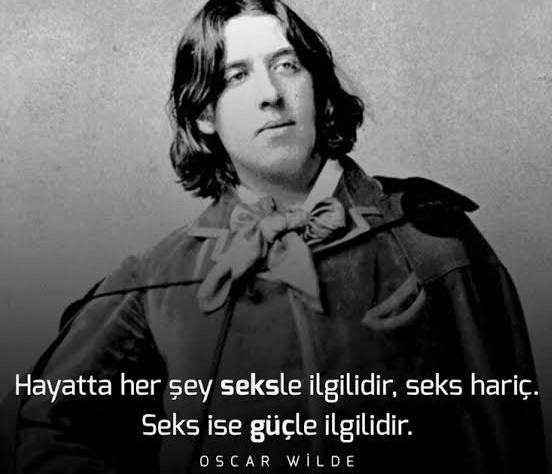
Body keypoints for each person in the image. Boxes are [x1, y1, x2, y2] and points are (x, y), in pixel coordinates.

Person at [0, 0, 547, 473]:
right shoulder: (157, 278)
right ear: (205, 113)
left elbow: (511, 438)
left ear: (317, 88)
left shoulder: (430, 234)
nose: (270, 94)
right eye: (237, 76)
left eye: (287, 66)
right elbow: (37, 428)